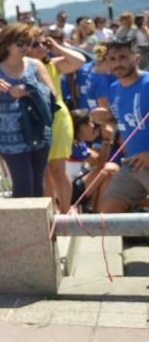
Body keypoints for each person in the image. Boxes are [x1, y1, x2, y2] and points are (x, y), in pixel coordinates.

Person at [0, 23, 57, 198]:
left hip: (37, 131)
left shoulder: (35, 65)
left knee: (37, 182)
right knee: (24, 183)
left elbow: (52, 93)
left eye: (28, 43)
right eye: (21, 43)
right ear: (7, 43)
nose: (26, 47)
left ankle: (38, 223)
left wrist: (27, 90)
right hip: (9, 137)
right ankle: (22, 224)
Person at [28, 30, 85, 212]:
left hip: (58, 119)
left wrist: (57, 46)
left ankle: (65, 211)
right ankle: (50, 213)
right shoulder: (21, 69)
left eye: (44, 43)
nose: (42, 47)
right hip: (35, 122)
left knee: (58, 169)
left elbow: (80, 60)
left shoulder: (53, 64)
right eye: (36, 44)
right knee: (43, 172)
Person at [95, 39, 149, 213]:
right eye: (112, 59)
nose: (118, 63)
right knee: (106, 216)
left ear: (137, 57)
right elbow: (124, 119)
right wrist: (104, 118)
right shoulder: (114, 88)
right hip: (132, 166)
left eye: (123, 57)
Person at [66, 110, 119, 212]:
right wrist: (107, 139)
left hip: (70, 187)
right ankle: (98, 213)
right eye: (90, 123)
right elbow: (100, 163)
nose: (93, 126)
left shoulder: (75, 142)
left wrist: (105, 139)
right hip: (69, 192)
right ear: (82, 126)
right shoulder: (75, 145)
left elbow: (99, 160)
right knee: (111, 168)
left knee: (105, 174)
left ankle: (94, 210)